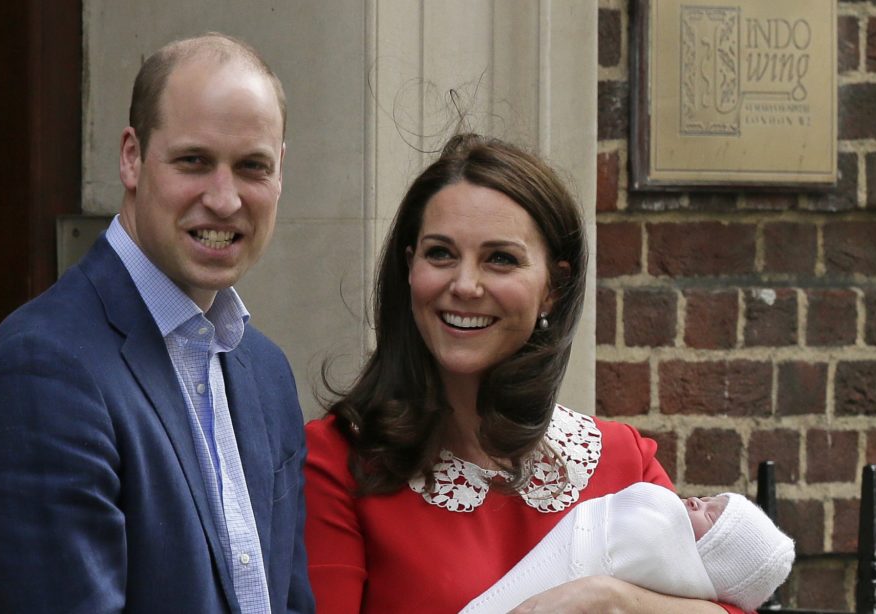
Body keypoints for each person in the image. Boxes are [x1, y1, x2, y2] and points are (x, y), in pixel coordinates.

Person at [303, 133, 748, 613]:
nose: (465, 285)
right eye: (440, 253)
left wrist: (610, 600)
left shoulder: (624, 461)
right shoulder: (335, 461)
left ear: (553, 288)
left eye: (501, 259)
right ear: (410, 268)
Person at [0, 33, 314, 613]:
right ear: (131, 156)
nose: (225, 200)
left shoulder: (265, 372)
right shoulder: (42, 370)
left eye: (252, 166)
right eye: (194, 161)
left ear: (280, 174)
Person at [461, 482, 796, 613]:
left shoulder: (634, 461)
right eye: (709, 500)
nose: (695, 502)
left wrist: (609, 596)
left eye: (711, 515)